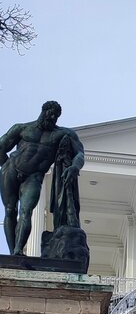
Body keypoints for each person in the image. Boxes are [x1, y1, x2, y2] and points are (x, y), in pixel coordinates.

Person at [0, 101, 84, 255]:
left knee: (26, 211)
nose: (52, 117)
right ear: (43, 111)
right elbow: (1, 145)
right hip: (11, 170)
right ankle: (12, 252)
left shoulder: (63, 134)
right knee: (10, 210)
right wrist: (5, 165)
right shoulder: (22, 128)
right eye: (50, 113)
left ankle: (18, 249)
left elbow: (80, 153)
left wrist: (74, 167)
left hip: (33, 177)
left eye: (55, 116)